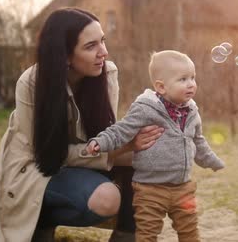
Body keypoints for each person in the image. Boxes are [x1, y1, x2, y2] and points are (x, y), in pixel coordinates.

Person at [0, 7, 165, 242]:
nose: (104, 52)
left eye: (103, 41)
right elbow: (47, 155)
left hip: (82, 158)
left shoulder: (107, 74)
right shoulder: (31, 83)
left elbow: (103, 135)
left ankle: (127, 237)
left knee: (149, 158)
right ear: (65, 55)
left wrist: (139, 142)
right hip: (38, 168)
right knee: (107, 198)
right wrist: (120, 150)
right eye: (91, 46)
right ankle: (41, 219)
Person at [85, 50, 225, 242]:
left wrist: (211, 161)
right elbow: (121, 130)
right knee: (147, 233)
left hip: (183, 187)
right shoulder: (145, 109)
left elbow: (198, 141)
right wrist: (100, 142)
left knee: (190, 230)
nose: (191, 84)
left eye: (193, 78)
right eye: (183, 79)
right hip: (149, 189)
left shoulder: (192, 110)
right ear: (161, 87)